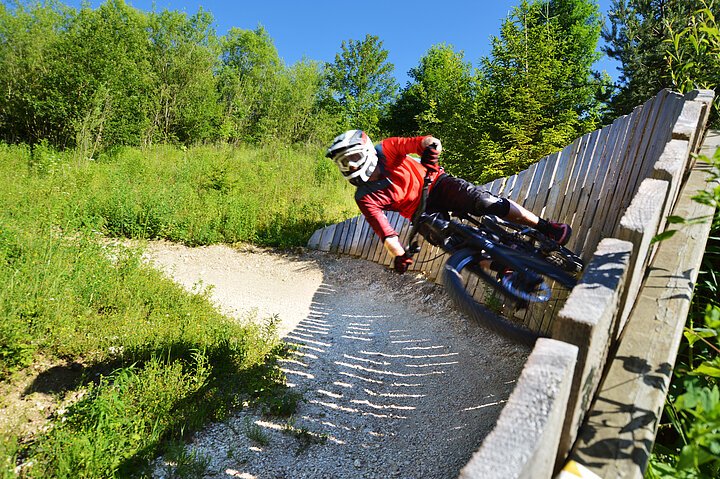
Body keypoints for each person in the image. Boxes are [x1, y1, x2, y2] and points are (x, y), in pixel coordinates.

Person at [326, 130, 572, 274]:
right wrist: (399, 255)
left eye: (353, 157)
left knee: (486, 202)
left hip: (435, 183)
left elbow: (427, 141)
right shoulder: (364, 197)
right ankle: (504, 268)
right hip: (420, 212)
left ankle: (547, 227)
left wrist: (431, 153)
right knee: (453, 247)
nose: (351, 166)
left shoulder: (387, 149)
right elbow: (387, 234)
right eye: (344, 164)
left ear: (367, 150)